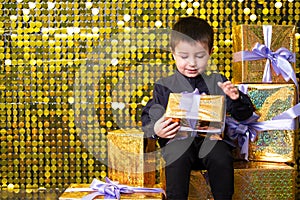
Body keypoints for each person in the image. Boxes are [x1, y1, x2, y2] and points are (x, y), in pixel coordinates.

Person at [141, 16, 254, 200]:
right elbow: (148, 117)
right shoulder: (164, 86)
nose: (192, 63)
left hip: (212, 142)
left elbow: (245, 115)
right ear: (173, 53)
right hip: (177, 144)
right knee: (177, 156)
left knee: (222, 157)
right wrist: (156, 129)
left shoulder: (218, 81)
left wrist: (237, 98)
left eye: (200, 56)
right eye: (184, 56)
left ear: (210, 52)